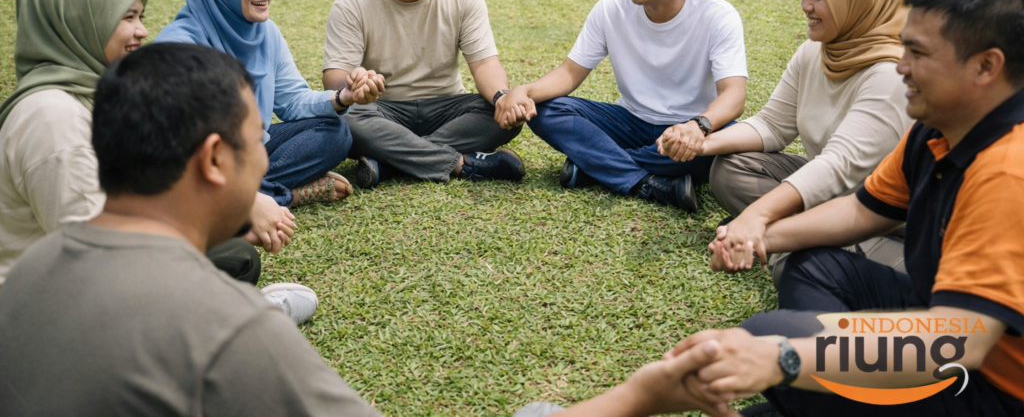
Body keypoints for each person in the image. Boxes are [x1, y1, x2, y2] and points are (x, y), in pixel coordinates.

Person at [0, 41, 737, 417]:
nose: (271, 152)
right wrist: (633, 397)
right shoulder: (222, 329)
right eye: (262, 137)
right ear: (216, 159)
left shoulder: (33, 269)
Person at [678, 0, 1024, 416]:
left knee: (772, 335)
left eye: (917, 54)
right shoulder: (936, 130)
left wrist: (786, 359)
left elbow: (958, 343)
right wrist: (759, 235)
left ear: (985, 66)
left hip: (992, 388)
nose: (900, 66)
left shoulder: (1008, 172)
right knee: (814, 262)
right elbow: (861, 213)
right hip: (936, 316)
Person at [0, 0, 315, 321]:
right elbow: (96, 255)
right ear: (79, 20)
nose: (142, 32)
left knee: (234, 256)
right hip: (44, 306)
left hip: (87, 271)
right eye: (127, 18)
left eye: (141, 17)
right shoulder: (52, 118)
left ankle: (217, 310)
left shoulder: (89, 93)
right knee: (229, 258)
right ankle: (232, 318)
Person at [686, 0, 912, 280]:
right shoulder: (815, 51)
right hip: (836, 195)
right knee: (730, 167)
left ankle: (791, 244)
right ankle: (798, 239)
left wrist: (757, 216)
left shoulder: (892, 75)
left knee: (802, 268)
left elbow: (838, 166)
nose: (805, 6)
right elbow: (772, 125)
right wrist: (700, 142)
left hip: (894, 219)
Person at [497, 0, 747, 212]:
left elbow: (734, 95)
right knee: (545, 109)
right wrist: (524, 91)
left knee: (732, 140)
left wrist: (699, 126)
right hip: (629, 121)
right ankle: (646, 181)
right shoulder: (611, 9)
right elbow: (568, 74)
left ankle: (595, 164)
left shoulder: (717, 16)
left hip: (687, 130)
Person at [157, 0, 381, 214]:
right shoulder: (179, 46)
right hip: (201, 160)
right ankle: (283, 196)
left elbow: (292, 100)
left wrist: (342, 97)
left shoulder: (266, 33)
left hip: (250, 150)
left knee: (335, 132)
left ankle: (244, 195)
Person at [323, 0, 525, 188]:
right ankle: (460, 164)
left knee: (503, 113)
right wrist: (354, 86)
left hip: (446, 111)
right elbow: (334, 79)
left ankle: (390, 161)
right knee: (349, 117)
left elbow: (484, 64)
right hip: (382, 111)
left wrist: (503, 96)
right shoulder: (353, 2)